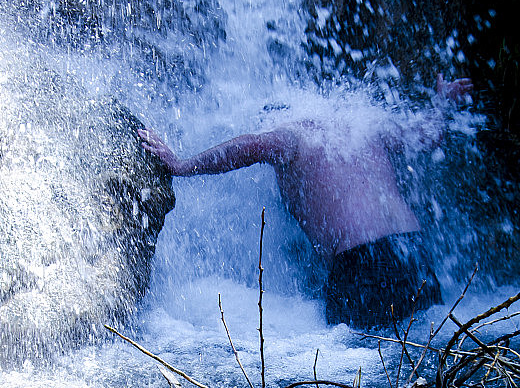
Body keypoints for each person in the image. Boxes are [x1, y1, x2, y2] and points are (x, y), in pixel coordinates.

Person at [139, 76, 473, 328]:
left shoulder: (292, 134)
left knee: (359, 375)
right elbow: (428, 136)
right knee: (429, 352)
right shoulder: (362, 126)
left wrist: (182, 165)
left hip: (364, 261)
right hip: (413, 252)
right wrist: (443, 104)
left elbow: (251, 146)